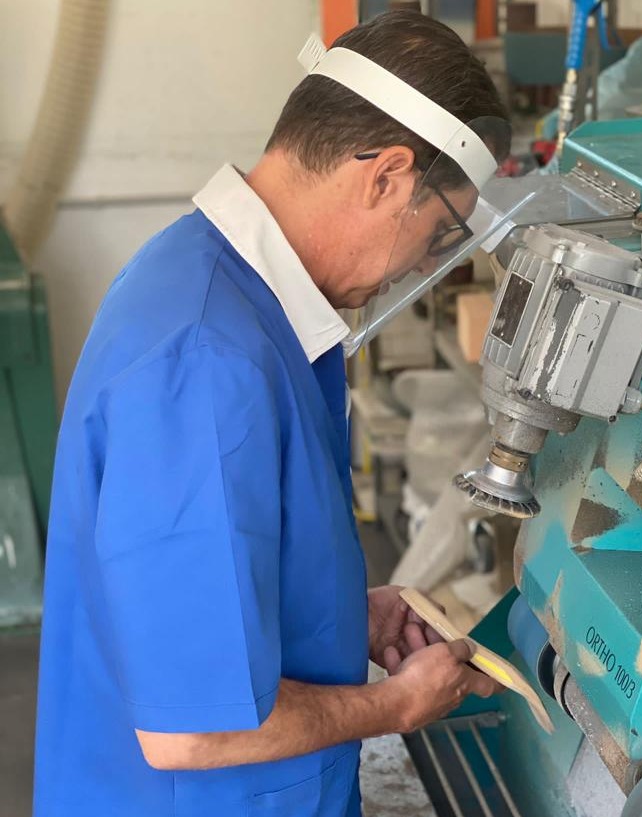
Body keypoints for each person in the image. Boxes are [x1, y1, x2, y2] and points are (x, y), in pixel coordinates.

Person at [33, 10, 511, 817]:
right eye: (436, 232)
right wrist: (395, 704)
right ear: (387, 177)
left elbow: (203, 578)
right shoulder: (207, 363)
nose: (417, 267)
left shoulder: (207, 278)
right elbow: (193, 731)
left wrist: (338, 617)